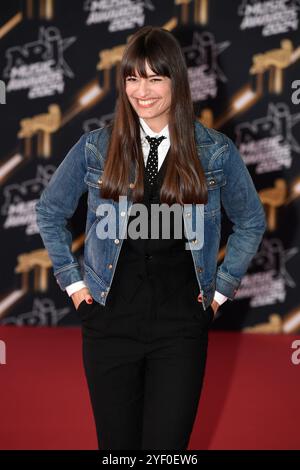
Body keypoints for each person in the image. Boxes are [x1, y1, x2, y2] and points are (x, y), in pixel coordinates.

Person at [35, 26, 267, 450]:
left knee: (167, 453)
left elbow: (250, 220)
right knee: (118, 452)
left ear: (176, 80)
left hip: (181, 327)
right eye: (132, 78)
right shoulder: (96, 148)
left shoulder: (214, 151)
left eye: (155, 78)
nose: (142, 91)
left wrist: (219, 294)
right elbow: (50, 211)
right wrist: (75, 286)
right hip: (108, 323)